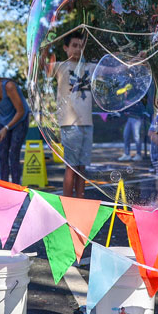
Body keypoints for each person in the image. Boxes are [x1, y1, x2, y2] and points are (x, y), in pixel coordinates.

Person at [49, 32, 94, 197]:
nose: (78, 49)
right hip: (70, 123)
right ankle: (68, 202)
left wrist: (132, 61)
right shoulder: (61, 66)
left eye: (81, 46)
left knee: (82, 167)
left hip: (87, 124)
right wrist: (45, 47)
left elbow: (112, 69)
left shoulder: (89, 67)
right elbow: (42, 66)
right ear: (66, 48)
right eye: (74, 45)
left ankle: (80, 201)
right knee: (72, 166)